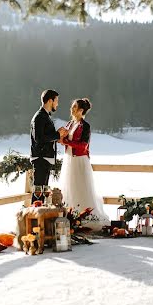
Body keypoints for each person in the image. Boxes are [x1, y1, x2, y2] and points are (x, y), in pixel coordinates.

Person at [59, 98, 110, 230]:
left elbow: (83, 145)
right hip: (69, 159)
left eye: (74, 107)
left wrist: (66, 142)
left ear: (81, 110)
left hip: (79, 160)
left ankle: (85, 216)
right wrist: (61, 137)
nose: (72, 109)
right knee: (69, 186)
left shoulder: (85, 126)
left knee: (81, 187)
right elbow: (65, 139)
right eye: (72, 106)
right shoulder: (70, 124)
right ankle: (71, 216)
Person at [30, 89, 68, 203]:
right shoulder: (40, 117)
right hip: (41, 158)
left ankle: (39, 217)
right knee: (38, 192)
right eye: (56, 101)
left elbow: (44, 136)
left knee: (42, 191)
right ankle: (35, 217)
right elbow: (39, 138)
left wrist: (58, 135)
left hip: (44, 158)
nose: (57, 104)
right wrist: (57, 134)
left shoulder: (44, 116)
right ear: (50, 101)